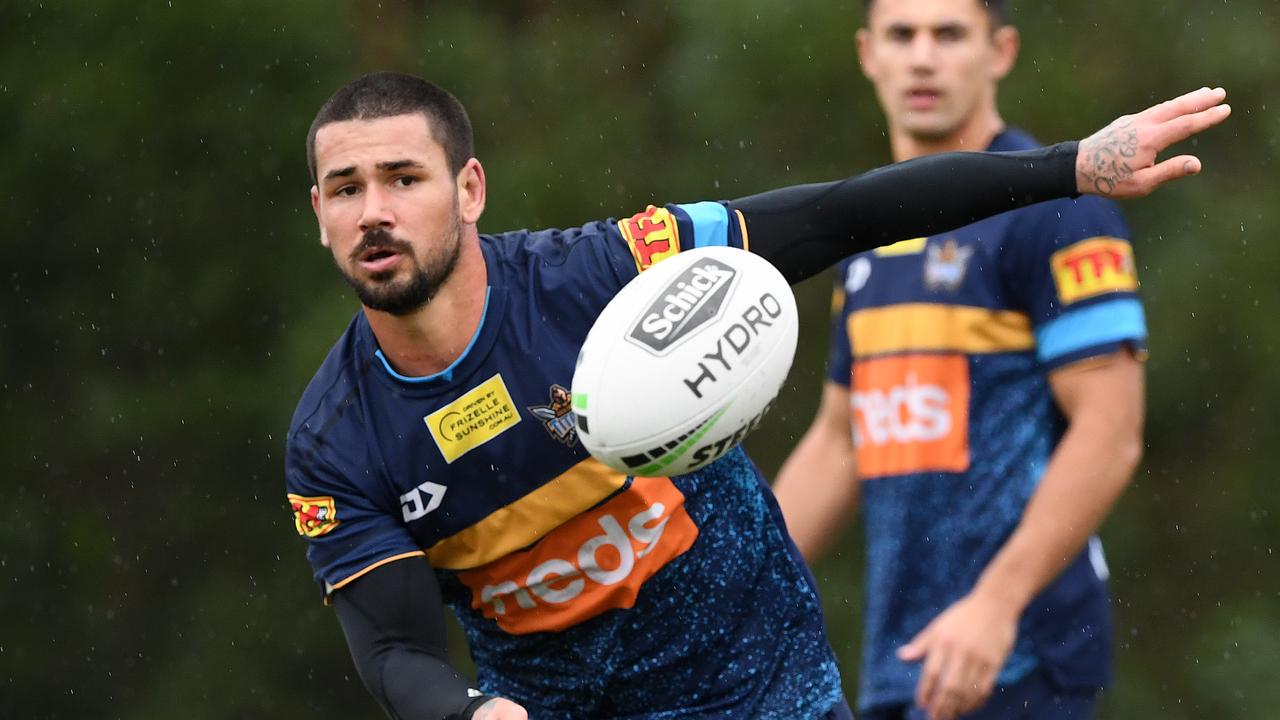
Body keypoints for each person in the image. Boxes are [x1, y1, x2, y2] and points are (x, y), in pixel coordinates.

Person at [284, 68, 1226, 720]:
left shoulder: (606, 271)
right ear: (320, 214)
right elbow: (395, 653)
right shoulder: (333, 445)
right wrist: (473, 709)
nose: (375, 210)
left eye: (403, 178)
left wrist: (1069, 166)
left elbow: (836, 215)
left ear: (470, 189)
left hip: (762, 685)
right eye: (345, 187)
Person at [772, 2, 1174, 719]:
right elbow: (840, 441)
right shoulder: (865, 235)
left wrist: (996, 603)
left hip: (1018, 650)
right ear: (869, 54)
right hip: (906, 660)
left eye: (949, 34)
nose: (923, 56)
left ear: (1002, 51)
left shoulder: (1062, 208)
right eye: (903, 35)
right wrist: (730, 581)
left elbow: (1110, 433)